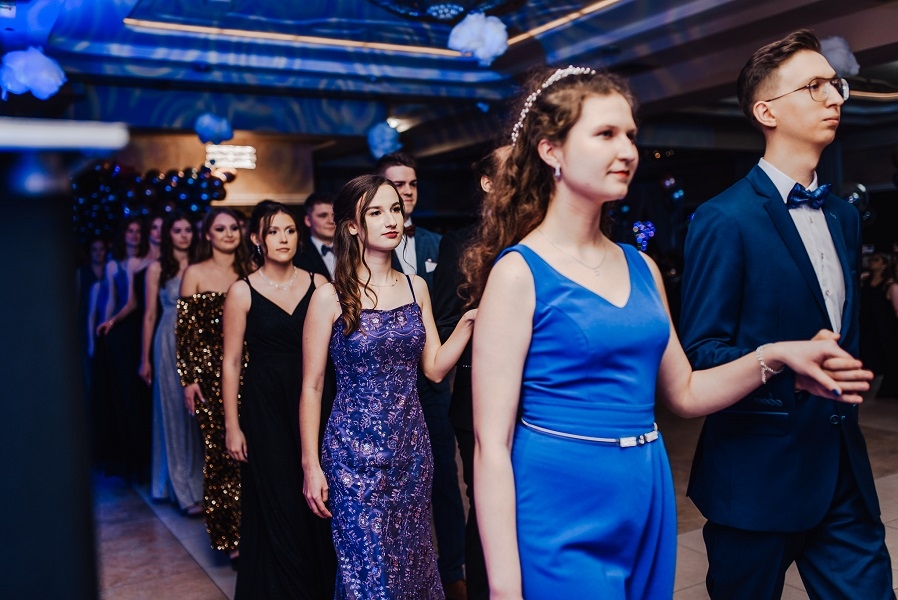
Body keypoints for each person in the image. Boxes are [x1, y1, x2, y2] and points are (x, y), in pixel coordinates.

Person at [463, 65, 870, 599]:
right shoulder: (519, 273)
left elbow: (686, 393)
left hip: (646, 496)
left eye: (630, 135)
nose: (627, 151)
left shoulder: (642, 267)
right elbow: (490, 446)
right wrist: (503, 589)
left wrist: (777, 356)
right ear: (551, 151)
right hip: (560, 503)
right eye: (605, 134)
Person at [680, 30, 894, 599]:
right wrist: (783, 368)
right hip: (757, 475)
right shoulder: (724, 218)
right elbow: (702, 355)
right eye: (814, 86)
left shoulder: (844, 216)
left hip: (841, 469)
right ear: (766, 111)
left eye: (836, 84)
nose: (835, 97)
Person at [300, 174, 476, 599]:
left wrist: (470, 320)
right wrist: (310, 466)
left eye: (395, 209)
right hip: (352, 455)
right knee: (367, 573)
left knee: (411, 564)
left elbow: (434, 369)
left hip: (411, 451)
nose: (391, 219)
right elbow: (312, 387)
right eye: (376, 212)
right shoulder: (330, 296)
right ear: (353, 226)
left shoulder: (416, 287)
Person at [222, 202, 336, 599]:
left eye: (289, 230)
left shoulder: (319, 283)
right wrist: (232, 426)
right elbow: (231, 362)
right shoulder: (242, 291)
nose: (283, 239)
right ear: (257, 238)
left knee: (319, 494)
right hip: (266, 406)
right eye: (273, 231)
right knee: (280, 496)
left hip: (316, 397)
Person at [374, 152, 468, 598]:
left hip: (431, 382)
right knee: (387, 488)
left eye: (412, 184)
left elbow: (447, 312)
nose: (406, 192)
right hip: (378, 388)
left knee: (444, 480)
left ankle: (453, 572)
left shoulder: (436, 243)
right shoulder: (353, 261)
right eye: (397, 185)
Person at [432, 147, 509, 600]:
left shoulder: (546, 236)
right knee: (486, 509)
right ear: (487, 182)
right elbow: (444, 324)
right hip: (478, 397)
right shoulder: (459, 244)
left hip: (545, 397)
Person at [177, 207, 252, 558]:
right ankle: (230, 539)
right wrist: (188, 379)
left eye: (233, 227)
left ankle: (255, 532)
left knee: (253, 452)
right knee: (221, 454)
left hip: (251, 371)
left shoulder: (250, 269)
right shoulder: (194, 273)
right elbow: (185, 334)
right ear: (207, 234)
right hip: (209, 378)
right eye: (220, 229)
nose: (228, 234)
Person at [140, 212, 204, 511]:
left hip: (196, 340)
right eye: (177, 230)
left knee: (197, 415)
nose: (184, 235)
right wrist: (144, 359)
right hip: (167, 339)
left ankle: (201, 484)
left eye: (188, 229)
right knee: (174, 412)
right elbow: (149, 314)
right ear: (168, 234)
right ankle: (182, 490)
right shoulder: (156, 268)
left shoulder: (200, 263)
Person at [860, 252, 898, 398]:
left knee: (885, 357)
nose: (871, 262)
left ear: (884, 265)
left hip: (883, 327)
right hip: (866, 325)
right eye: (871, 259)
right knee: (865, 355)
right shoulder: (865, 279)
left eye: (876, 260)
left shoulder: (889, 284)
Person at [293, 192, 336, 279]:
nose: (331, 221)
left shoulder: (353, 249)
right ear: (308, 220)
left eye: (334, 215)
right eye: (323, 216)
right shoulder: (297, 254)